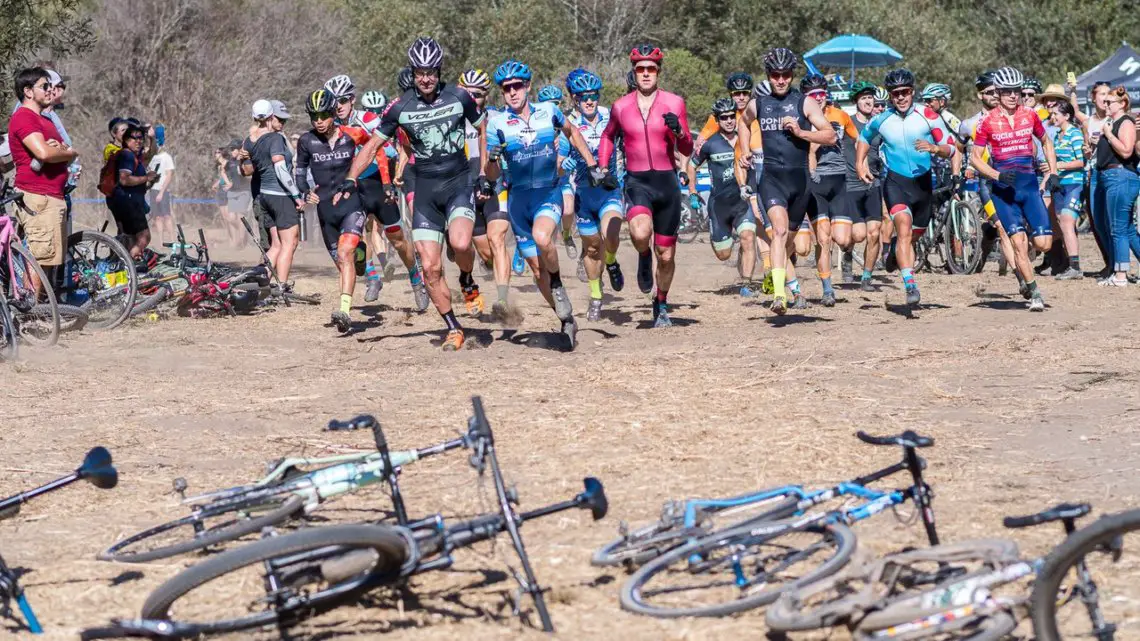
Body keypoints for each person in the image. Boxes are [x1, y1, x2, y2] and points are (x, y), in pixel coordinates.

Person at [335, 37, 487, 351]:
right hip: (426, 189)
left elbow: (482, 129)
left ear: (439, 70)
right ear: (413, 72)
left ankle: (467, 279)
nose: (426, 78)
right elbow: (372, 146)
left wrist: (482, 172)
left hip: (458, 182)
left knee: (460, 243)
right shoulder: (400, 106)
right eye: (420, 72)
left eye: (431, 71)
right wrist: (350, 178)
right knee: (429, 267)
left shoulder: (459, 96)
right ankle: (453, 327)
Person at [485, 59, 604, 348]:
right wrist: (491, 158)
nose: (512, 92)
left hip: (547, 193)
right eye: (506, 89)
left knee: (543, 238)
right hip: (518, 201)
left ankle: (558, 283)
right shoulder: (497, 123)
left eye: (517, 86)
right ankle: (566, 320)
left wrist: (591, 164)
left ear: (527, 86)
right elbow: (490, 175)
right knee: (536, 271)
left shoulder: (547, 111)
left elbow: (573, 132)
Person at [597, 44, 694, 326]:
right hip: (637, 180)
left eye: (651, 69)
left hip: (667, 182)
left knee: (666, 255)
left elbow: (686, 146)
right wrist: (603, 168)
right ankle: (642, 255)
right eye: (641, 69)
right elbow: (607, 137)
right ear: (634, 73)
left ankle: (661, 303)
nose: (646, 74)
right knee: (640, 234)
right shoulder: (621, 106)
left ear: (658, 72)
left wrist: (678, 130)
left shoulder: (674, 103)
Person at [736, 47, 836, 315]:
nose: (780, 80)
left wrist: (802, 131)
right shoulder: (758, 103)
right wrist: (745, 151)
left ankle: (781, 278)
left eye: (785, 74)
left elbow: (830, 136)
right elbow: (743, 124)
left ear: (792, 75)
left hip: (800, 182)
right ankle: (779, 295)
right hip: (770, 178)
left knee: (790, 241)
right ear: (768, 75)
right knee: (778, 232)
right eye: (775, 75)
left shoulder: (804, 103)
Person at [856, 68, 956, 308]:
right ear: (890, 96)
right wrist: (860, 164)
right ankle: (910, 285)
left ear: (912, 92)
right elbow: (863, 139)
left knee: (911, 237)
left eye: (905, 92)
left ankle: (894, 255)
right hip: (896, 182)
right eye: (895, 93)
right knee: (903, 228)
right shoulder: (882, 118)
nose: (901, 97)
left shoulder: (928, 115)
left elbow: (951, 147)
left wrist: (935, 149)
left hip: (922, 184)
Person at [324, 75, 426, 311]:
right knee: (355, 235)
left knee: (398, 240)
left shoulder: (367, 118)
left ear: (352, 99)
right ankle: (372, 277)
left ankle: (416, 280)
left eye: (343, 100)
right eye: (333, 101)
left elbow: (388, 151)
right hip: (351, 187)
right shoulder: (329, 127)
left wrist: (388, 182)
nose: (338, 106)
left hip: (376, 184)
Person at [970, 67, 1057, 310]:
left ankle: (1026, 249)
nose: (1012, 96)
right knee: (1017, 241)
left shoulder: (1030, 115)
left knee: (1043, 244)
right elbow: (975, 158)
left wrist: (1053, 172)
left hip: (1028, 186)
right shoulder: (987, 122)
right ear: (998, 92)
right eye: (1007, 91)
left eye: (1016, 91)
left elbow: (1046, 141)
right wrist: (997, 174)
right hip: (1003, 190)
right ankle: (1034, 292)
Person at [294, 89, 372, 332]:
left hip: (352, 205)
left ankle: (344, 312)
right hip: (325, 210)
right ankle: (361, 256)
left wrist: (375, 182)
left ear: (332, 113)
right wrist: (305, 191)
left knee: (344, 252)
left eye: (323, 115)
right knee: (344, 261)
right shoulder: (307, 141)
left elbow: (374, 151)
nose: (318, 120)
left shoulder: (352, 134)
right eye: (314, 116)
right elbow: (299, 173)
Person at [562, 69, 625, 320]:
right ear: (574, 99)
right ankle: (596, 297)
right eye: (583, 96)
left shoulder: (611, 116)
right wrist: (562, 165)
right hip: (583, 195)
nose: (589, 100)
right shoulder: (567, 124)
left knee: (611, 234)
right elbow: (558, 157)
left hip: (609, 190)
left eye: (594, 95)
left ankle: (611, 261)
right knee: (591, 249)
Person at [7, 67, 77, 292]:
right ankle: (30, 317)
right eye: (45, 86)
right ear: (28, 91)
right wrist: (70, 153)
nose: (51, 90)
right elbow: (45, 154)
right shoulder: (24, 117)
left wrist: (62, 152)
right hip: (38, 198)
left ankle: (39, 309)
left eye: (52, 86)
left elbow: (57, 152)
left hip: (53, 196)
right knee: (37, 259)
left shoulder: (44, 120)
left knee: (47, 259)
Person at [457, 68, 514, 319]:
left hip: (494, 185)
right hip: (463, 189)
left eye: (478, 94)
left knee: (498, 240)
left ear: (486, 96)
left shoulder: (496, 119)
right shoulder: (450, 119)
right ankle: (467, 280)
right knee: (483, 252)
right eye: (467, 93)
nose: (472, 98)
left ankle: (502, 300)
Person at [686, 98, 759, 288]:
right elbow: (691, 166)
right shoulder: (710, 144)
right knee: (723, 254)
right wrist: (693, 192)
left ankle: (746, 284)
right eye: (723, 117)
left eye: (731, 116)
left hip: (742, 203)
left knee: (748, 238)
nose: (729, 120)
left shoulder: (747, 139)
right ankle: (729, 242)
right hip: (719, 207)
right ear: (717, 120)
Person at [804, 73, 856, 306]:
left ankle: (846, 258)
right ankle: (827, 290)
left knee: (843, 239)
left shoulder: (841, 116)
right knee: (823, 240)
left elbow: (860, 138)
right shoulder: (803, 119)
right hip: (817, 185)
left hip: (839, 181)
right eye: (813, 95)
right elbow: (808, 151)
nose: (818, 99)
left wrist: (864, 163)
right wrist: (811, 172)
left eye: (821, 94)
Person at [240, 99, 304, 285]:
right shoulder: (274, 138)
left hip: (264, 195)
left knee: (275, 245)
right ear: (270, 117)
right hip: (280, 195)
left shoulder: (250, 141)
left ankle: (257, 282)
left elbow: (244, 168)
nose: (283, 123)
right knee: (289, 244)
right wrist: (296, 195)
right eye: (279, 119)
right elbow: (281, 170)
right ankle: (281, 286)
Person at [1092, 86, 1140, 287]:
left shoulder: (1125, 122)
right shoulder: (1113, 123)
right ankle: (1119, 271)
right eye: (1105, 101)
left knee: (1118, 228)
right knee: (1127, 229)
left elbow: (1127, 151)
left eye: (1109, 102)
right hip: (1112, 177)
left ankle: (1120, 275)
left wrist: (1108, 135)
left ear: (1122, 104)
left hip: (1120, 177)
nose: (1105, 104)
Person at [838, 81, 885, 290]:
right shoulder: (847, 123)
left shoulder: (878, 126)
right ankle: (847, 253)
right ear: (856, 101)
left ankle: (866, 277)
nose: (868, 101)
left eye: (870, 98)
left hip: (874, 183)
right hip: (851, 184)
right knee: (857, 235)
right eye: (863, 98)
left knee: (874, 232)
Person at [109, 124, 158, 259]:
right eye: (134, 138)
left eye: (141, 138)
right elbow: (124, 180)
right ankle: (128, 266)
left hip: (130, 202)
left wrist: (152, 138)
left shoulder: (135, 156)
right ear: (125, 140)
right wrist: (146, 177)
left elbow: (152, 153)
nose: (138, 141)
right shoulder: (127, 156)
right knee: (144, 237)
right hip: (127, 203)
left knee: (131, 238)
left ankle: (126, 266)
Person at [1049, 100, 1085, 279]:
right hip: (1059, 185)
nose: (1052, 116)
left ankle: (1075, 267)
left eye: (1056, 114)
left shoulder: (1075, 134)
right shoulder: (1057, 135)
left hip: (1074, 184)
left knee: (1066, 222)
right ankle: (1069, 262)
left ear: (1067, 116)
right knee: (1062, 223)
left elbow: (1081, 161)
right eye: (1052, 113)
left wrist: (1059, 164)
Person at [146, 124, 176, 246]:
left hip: (162, 191)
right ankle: (161, 242)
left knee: (166, 216)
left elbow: (169, 175)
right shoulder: (152, 157)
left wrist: (162, 192)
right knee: (157, 217)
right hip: (153, 190)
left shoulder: (166, 157)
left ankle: (173, 241)